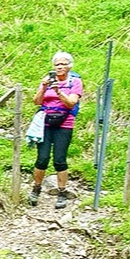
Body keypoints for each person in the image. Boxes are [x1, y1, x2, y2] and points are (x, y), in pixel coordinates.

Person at [30, 52, 83, 208]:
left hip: (64, 124)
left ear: (70, 66)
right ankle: (36, 189)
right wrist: (44, 87)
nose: (59, 67)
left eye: (63, 64)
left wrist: (58, 91)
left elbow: (71, 103)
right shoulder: (47, 80)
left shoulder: (75, 82)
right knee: (42, 158)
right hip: (45, 124)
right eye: (57, 64)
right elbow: (37, 101)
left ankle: (62, 192)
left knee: (60, 159)